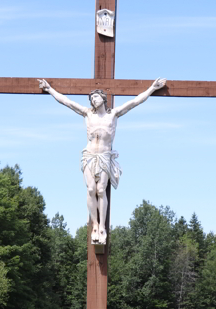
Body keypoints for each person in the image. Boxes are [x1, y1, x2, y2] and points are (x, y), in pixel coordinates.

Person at [38, 78, 166, 244]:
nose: (93, 100)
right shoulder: (87, 113)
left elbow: (135, 102)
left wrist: (151, 88)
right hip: (89, 155)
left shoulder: (113, 114)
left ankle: (103, 226)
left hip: (105, 156)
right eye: (91, 98)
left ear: (104, 99)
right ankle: (95, 225)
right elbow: (66, 101)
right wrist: (49, 89)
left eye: (96, 97)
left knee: (100, 190)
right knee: (90, 189)